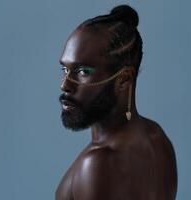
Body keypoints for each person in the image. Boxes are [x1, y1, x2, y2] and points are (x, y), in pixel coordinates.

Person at [56, 5, 177, 200]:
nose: (65, 85)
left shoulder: (98, 164)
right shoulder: (157, 138)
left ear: (124, 79)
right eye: (65, 70)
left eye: (82, 72)